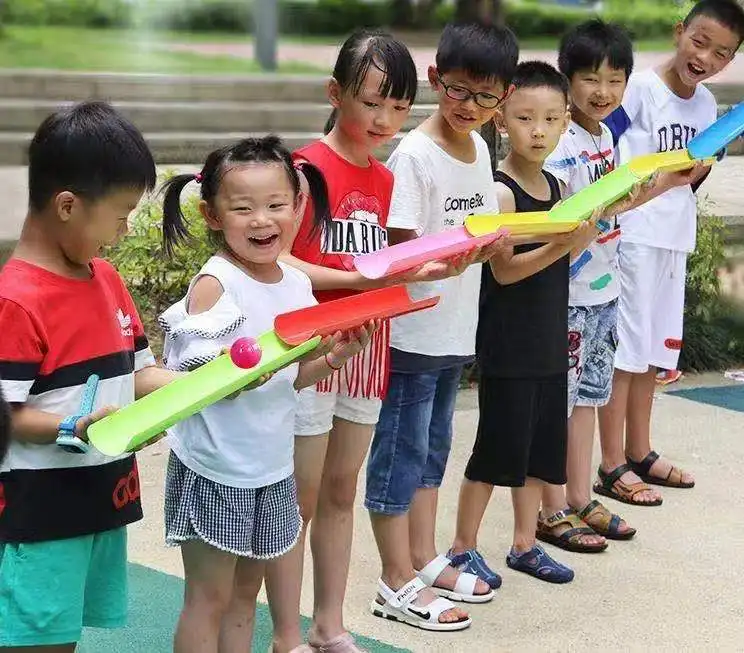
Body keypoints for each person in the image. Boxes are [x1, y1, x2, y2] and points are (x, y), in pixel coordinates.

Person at [265, 29, 483, 652]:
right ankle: (287, 636)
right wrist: (360, 274)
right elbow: (280, 262)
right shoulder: (305, 171)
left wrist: (441, 264)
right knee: (299, 500)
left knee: (340, 491)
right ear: (336, 94)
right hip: (311, 351)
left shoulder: (388, 181)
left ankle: (330, 627)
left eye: (397, 107)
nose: (385, 119)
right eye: (371, 103)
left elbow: (394, 266)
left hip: (367, 351)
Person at [158, 136, 376, 653]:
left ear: (298, 206)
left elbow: (291, 378)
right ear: (213, 215)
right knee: (208, 597)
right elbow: (185, 381)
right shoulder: (217, 284)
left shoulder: (296, 286)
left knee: (244, 595)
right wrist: (231, 379)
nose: (263, 220)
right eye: (243, 208)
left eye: (276, 205)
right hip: (214, 467)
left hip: (271, 467)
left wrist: (334, 359)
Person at [0, 101, 180, 651]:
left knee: (65, 639)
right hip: (37, 513)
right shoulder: (16, 300)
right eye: (121, 214)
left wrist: (221, 382)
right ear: (68, 206)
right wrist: (72, 425)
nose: (125, 230)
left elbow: (140, 375)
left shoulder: (106, 278)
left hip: (98, 499)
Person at [364, 22, 518, 631]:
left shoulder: (481, 146)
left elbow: (475, 230)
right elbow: (398, 254)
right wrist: (458, 255)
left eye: (486, 97)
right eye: (459, 91)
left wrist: (488, 245)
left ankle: (424, 561)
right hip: (413, 334)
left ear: (502, 98)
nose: (471, 107)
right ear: (435, 80)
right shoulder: (415, 155)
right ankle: (394, 579)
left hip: (456, 331)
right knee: (399, 456)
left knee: (431, 452)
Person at [448, 61, 605, 585]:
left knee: (540, 449)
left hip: (546, 339)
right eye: (524, 118)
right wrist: (563, 243)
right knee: (496, 450)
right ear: (502, 122)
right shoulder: (500, 192)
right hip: (507, 342)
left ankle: (523, 544)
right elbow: (507, 272)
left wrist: (581, 233)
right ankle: (462, 546)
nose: (537, 130)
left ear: (565, 123)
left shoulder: (560, 186)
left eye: (549, 119)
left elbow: (571, 251)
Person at [599, 0, 744, 503]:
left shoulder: (704, 103)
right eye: (699, 41)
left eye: (721, 53)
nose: (705, 57)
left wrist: (707, 160)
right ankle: (612, 463)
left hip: (673, 235)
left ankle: (640, 450)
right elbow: (606, 150)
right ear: (680, 32)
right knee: (626, 352)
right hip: (634, 232)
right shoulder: (639, 89)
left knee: (654, 352)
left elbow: (689, 176)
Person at [539, 19, 640, 549]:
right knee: (562, 399)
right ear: (567, 79)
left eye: (615, 80)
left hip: (604, 290)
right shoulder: (559, 140)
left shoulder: (605, 135)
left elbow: (613, 207)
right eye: (590, 79)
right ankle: (550, 504)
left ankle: (580, 494)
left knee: (589, 399)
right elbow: (566, 220)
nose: (603, 92)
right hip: (569, 293)